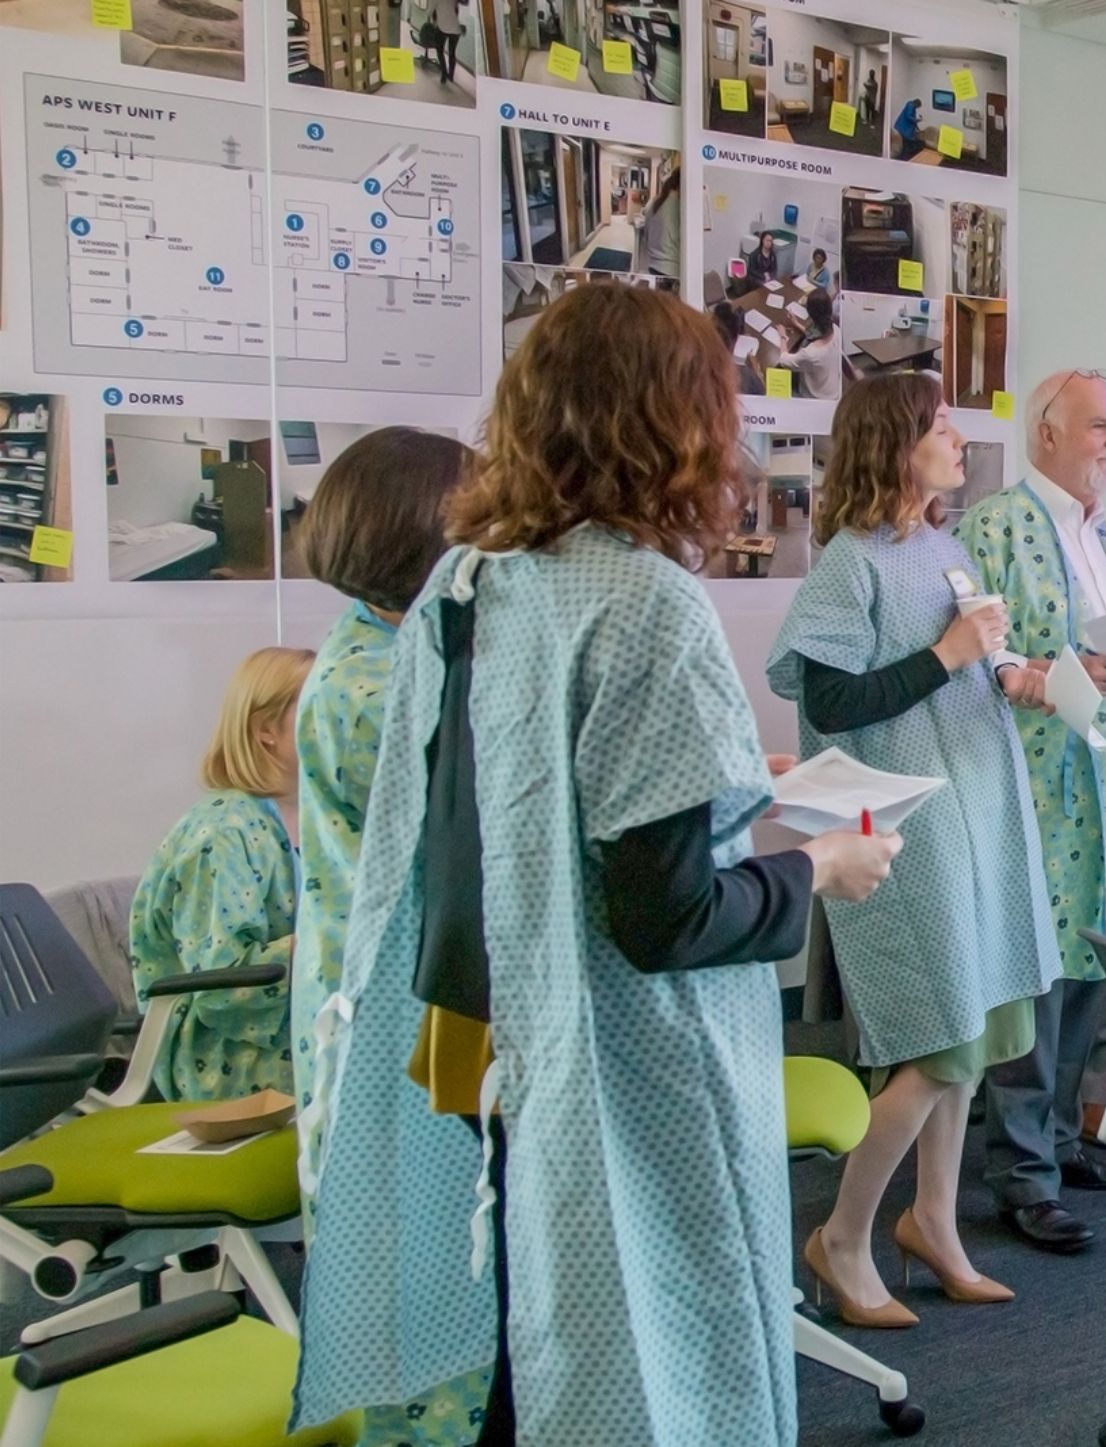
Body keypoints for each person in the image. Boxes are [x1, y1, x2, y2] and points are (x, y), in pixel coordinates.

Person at [290, 285, 900, 1447]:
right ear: (680, 425)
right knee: (647, 1354)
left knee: (533, 1334)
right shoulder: (643, 604)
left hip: (482, 1033)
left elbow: (519, 808)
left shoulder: (467, 585)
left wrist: (732, 780)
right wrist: (819, 870)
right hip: (619, 1067)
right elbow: (663, 917)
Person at [769, 372, 1061, 1326]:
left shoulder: (943, 546)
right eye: (939, 427)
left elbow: (965, 656)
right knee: (936, 1043)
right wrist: (950, 655)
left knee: (973, 1031)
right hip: (910, 830)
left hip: (978, 814)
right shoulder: (848, 563)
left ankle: (933, 1220)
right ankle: (844, 1236)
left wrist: (1012, 670)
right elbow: (830, 704)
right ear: (895, 445)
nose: (957, 439)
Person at [289, 426, 486, 1445]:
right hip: (388, 1014)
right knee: (425, 1305)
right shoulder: (381, 688)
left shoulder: (383, 644)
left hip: (386, 989)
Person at [958, 368, 1106, 1254]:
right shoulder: (996, 526)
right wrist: (1049, 672)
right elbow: (979, 650)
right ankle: (1020, 1169)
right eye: (1098, 427)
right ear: (1046, 433)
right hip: (1043, 783)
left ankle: (1057, 1139)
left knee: (1099, 954)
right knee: (1036, 974)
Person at [128, 646, 312, 1103]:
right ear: (266, 729)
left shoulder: (320, 817)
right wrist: (332, 942)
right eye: (321, 706)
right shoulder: (223, 834)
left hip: (299, 1019)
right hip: (222, 1052)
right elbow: (222, 987)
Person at [780, 290, 842, 400]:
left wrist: (783, 336)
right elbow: (816, 333)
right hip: (831, 390)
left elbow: (784, 361)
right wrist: (797, 324)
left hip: (815, 397)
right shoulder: (836, 330)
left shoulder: (810, 353)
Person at [426, 0, 463, 83]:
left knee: (439, 50)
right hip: (455, 29)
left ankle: (444, 74)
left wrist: (433, 21)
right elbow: (456, 9)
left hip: (442, 28)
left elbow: (429, 12)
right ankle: (451, 76)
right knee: (452, 53)